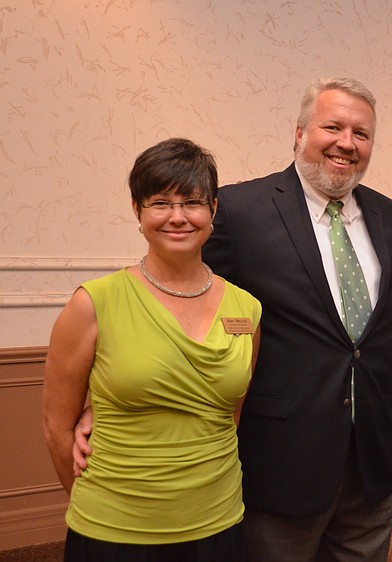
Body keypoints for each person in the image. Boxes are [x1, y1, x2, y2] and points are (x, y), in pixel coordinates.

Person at [201, 78, 392, 561]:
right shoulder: (239, 210)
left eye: (361, 133)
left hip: (370, 463)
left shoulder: (391, 217)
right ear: (299, 133)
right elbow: (190, 309)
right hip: (281, 461)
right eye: (332, 127)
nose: (347, 143)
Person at [42, 137, 261, 561]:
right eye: (160, 203)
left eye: (192, 202)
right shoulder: (93, 303)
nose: (178, 217)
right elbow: (57, 429)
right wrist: (100, 505)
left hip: (218, 520)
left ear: (213, 210)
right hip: (114, 528)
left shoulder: (246, 308)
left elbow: (228, 416)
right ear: (137, 211)